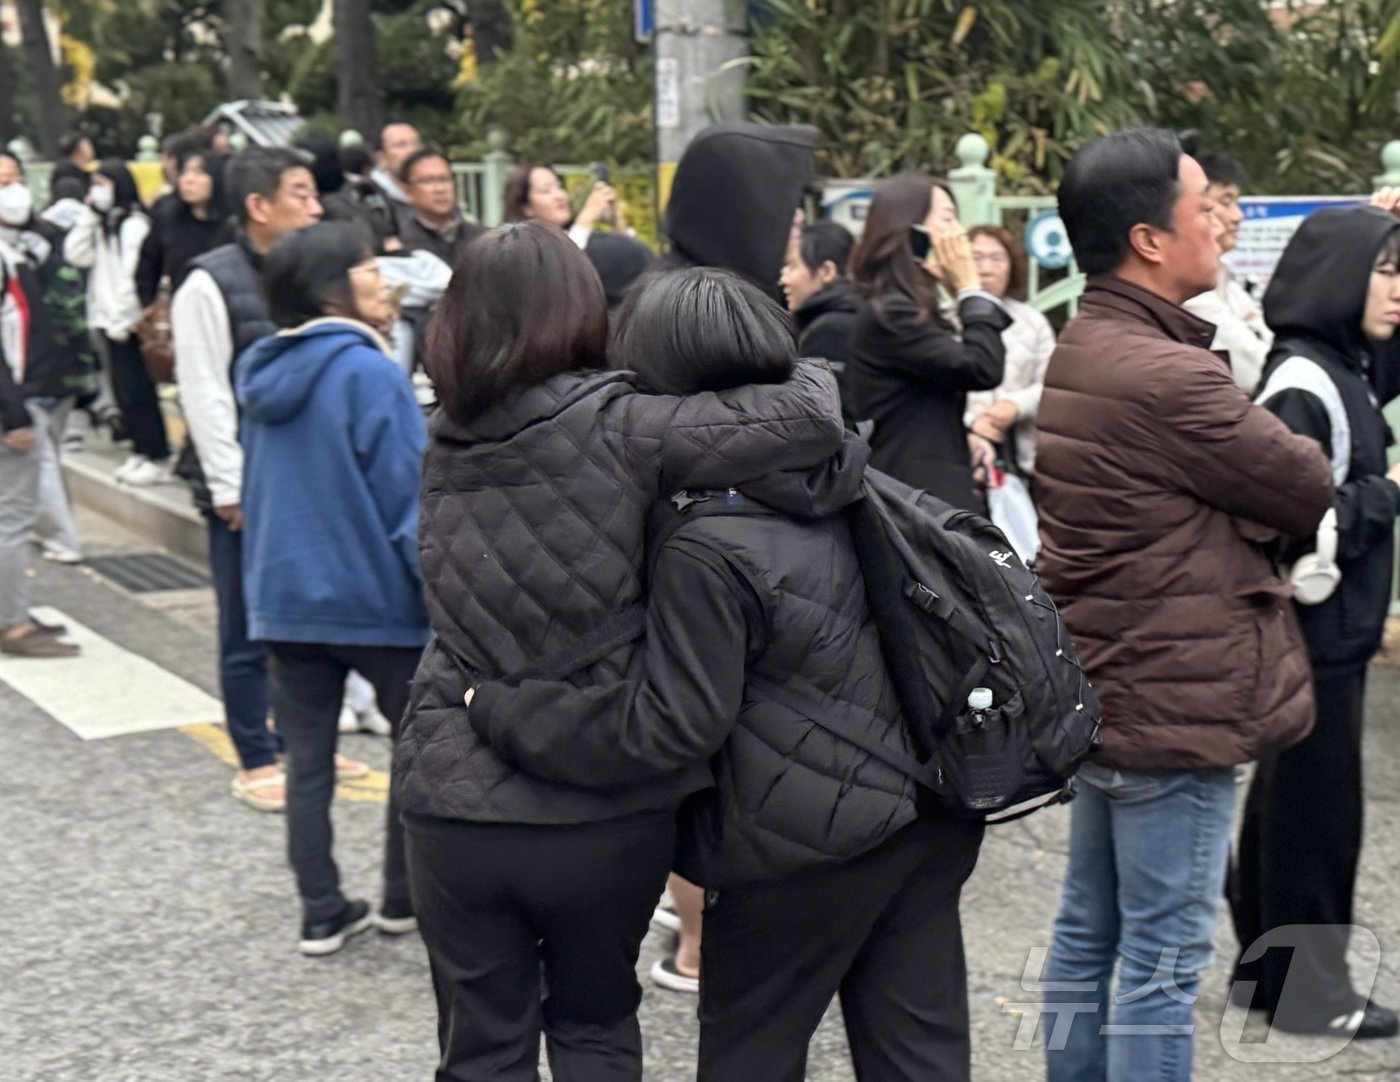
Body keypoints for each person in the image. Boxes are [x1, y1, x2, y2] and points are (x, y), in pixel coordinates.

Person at [467, 267, 986, 1082]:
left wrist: (502, 710)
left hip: (799, 848)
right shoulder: (852, 476)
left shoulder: (706, 540)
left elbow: (673, 725)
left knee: (753, 1056)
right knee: (919, 1057)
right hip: (928, 811)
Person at [395, 219, 847, 1080]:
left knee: (479, 1047)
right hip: (601, 802)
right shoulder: (625, 426)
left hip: (449, 794)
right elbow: (813, 411)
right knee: (595, 1026)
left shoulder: (440, 439)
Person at [1032, 128, 1334, 1082]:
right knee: (1161, 968)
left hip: (1108, 693)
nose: (1222, 224)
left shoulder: (1092, 342)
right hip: (1176, 705)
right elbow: (1304, 480)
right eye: (1207, 207)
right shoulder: (1170, 375)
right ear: (1150, 239)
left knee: (1088, 935)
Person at [1228, 200, 1400, 1040]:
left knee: (1287, 807)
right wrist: (1388, 494)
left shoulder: (1341, 368)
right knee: (1317, 821)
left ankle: (1265, 975)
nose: (1396, 290)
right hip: (1315, 633)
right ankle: (1311, 995)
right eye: (1384, 268)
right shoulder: (1308, 382)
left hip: (1326, 636)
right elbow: (1289, 515)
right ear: (1340, 279)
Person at [235, 221, 428, 955]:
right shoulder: (370, 372)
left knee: (306, 762)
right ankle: (401, 898)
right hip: (375, 599)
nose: (382, 283)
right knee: (416, 751)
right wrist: (438, 593)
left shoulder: (257, 368)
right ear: (331, 290)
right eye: (369, 271)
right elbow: (406, 499)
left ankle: (320, 909)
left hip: (283, 597)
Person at [172, 147, 334, 813]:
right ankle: (255, 753)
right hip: (243, 482)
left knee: (297, 626)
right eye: (301, 193)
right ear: (258, 206)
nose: (315, 206)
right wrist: (228, 485)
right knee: (245, 624)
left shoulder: (306, 275)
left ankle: (297, 743)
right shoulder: (207, 283)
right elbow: (205, 391)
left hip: (301, 479)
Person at [845, 173, 1009, 510]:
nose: (959, 234)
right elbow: (982, 367)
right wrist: (970, 288)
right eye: (948, 219)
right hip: (916, 498)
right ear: (912, 231)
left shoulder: (902, 308)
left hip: (924, 489)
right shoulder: (891, 314)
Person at [0, 182, 85, 657]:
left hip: (22, 393)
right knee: (11, 518)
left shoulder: (14, 255)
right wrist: (14, 414)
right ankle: (9, 624)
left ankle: (10, 609)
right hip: (13, 400)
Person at [64, 160, 169, 486]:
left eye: (103, 183)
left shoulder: (133, 224)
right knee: (124, 392)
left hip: (129, 322)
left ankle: (156, 453)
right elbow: (75, 254)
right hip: (107, 319)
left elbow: (132, 275)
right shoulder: (101, 224)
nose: (97, 190)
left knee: (139, 389)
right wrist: (89, 216)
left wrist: (125, 319)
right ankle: (139, 449)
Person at [963, 225, 1056, 476]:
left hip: (1022, 457)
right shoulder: (943, 319)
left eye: (997, 259)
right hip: (959, 454)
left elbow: (1050, 384)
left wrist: (1015, 406)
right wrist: (973, 423)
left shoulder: (1033, 322)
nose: (986, 269)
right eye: (976, 258)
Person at [1181, 141, 1272, 394]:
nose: (1238, 216)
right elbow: (1257, 370)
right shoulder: (1186, 289)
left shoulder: (1229, 284)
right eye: (1226, 201)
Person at [780, 219, 859, 411]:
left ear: (826, 271)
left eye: (793, 267)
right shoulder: (855, 314)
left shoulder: (829, 331)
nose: (784, 279)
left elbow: (823, 414)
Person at [136, 149, 228, 307]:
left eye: (199, 173)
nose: (189, 180)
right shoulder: (168, 219)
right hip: (180, 309)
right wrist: (150, 304)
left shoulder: (231, 225)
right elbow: (147, 267)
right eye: (185, 172)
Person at [392, 148, 483, 267]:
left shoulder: (482, 239)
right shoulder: (401, 245)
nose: (440, 189)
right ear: (408, 191)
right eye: (428, 181)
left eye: (444, 179)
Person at [502, 162, 622, 250]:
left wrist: (618, 221)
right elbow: (563, 266)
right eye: (546, 191)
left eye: (559, 187)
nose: (559, 195)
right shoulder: (521, 247)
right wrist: (587, 217)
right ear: (525, 207)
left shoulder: (574, 234)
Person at [370, 121, 422, 205]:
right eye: (401, 145)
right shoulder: (368, 197)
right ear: (382, 158)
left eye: (416, 143)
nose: (412, 151)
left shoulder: (438, 189)